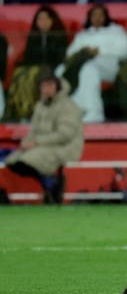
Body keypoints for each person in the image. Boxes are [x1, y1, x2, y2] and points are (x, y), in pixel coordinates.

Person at [4, 75, 84, 204]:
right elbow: (33, 130)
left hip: (66, 147)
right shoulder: (40, 106)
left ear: (58, 87)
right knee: (13, 161)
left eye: (50, 85)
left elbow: (65, 135)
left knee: (28, 160)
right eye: (44, 86)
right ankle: (50, 185)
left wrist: (36, 142)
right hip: (42, 146)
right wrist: (26, 142)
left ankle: (53, 185)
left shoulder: (68, 106)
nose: (46, 89)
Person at [59, 4, 127, 123]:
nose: (97, 18)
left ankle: (94, 112)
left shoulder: (116, 30)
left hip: (111, 66)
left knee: (89, 69)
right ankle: (72, 111)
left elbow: (125, 50)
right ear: (89, 17)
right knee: (60, 70)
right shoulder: (83, 34)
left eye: (100, 15)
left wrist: (100, 51)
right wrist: (84, 52)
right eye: (94, 15)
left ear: (106, 17)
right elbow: (70, 54)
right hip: (84, 64)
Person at [6, 6, 69, 121]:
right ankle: (19, 112)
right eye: (40, 19)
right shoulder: (33, 37)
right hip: (33, 68)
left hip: (52, 68)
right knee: (19, 73)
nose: (43, 22)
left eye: (46, 19)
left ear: (52, 20)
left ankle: (31, 112)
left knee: (35, 75)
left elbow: (60, 58)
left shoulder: (60, 36)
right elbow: (28, 58)